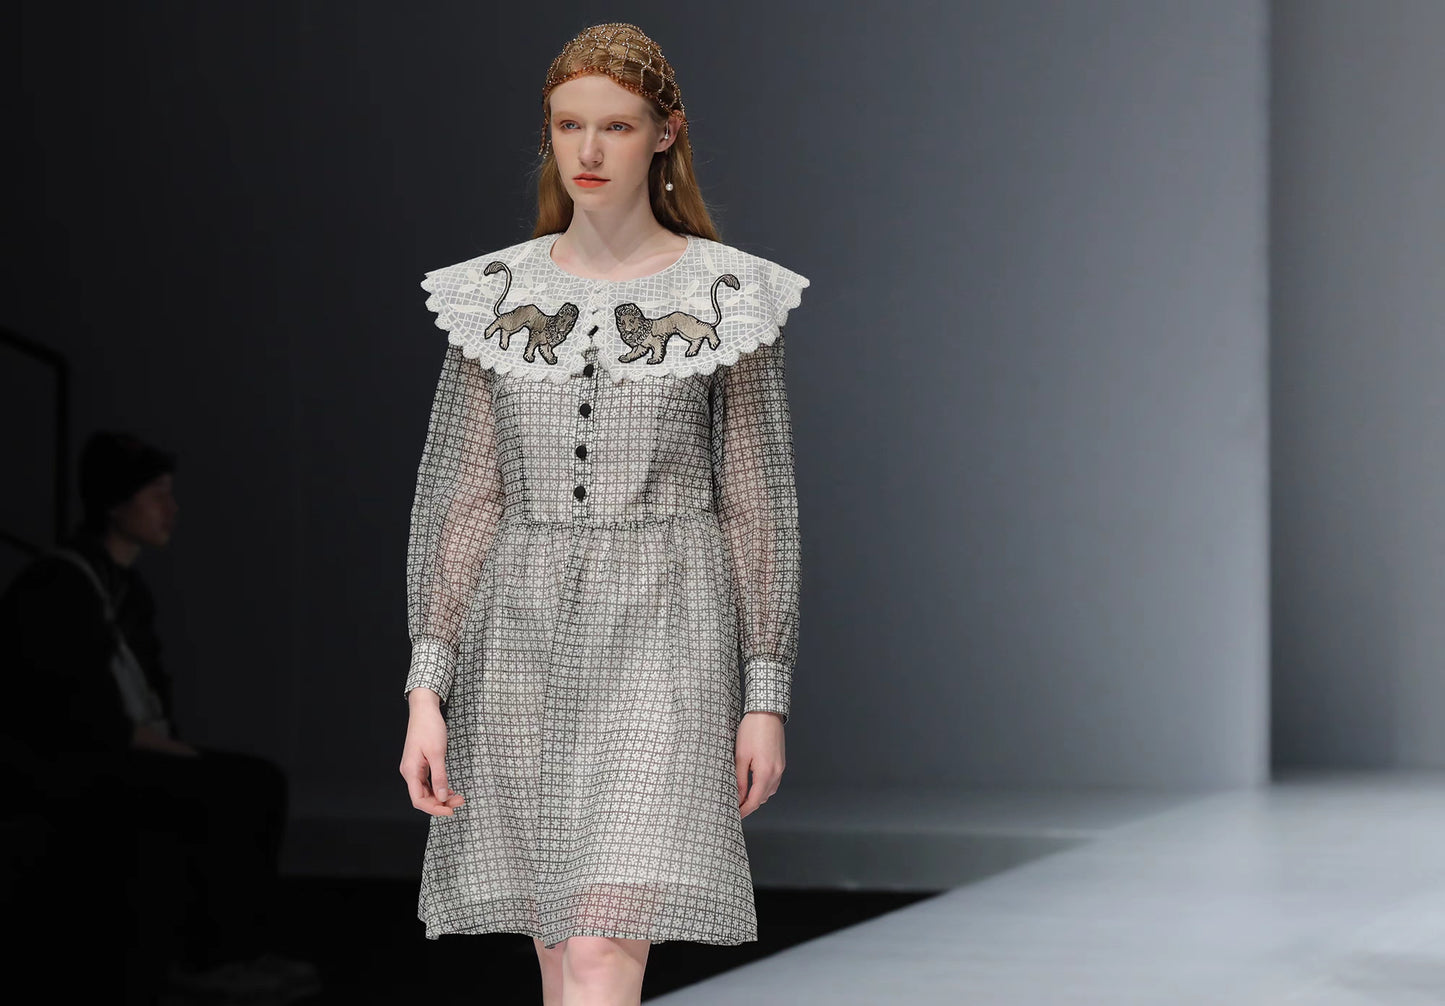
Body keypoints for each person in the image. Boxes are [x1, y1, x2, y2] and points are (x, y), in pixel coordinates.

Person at [397, 21, 809, 1006]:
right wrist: (425, 687)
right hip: (516, 634)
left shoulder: (731, 296)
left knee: (597, 948)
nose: (587, 150)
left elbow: (757, 504)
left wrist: (764, 692)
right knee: (557, 944)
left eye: (615, 126)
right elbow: (460, 496)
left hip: (667, 631)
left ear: (666, 133)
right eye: (566, 125)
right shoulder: (490, 296)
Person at [0, 431, 319, 1003]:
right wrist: (174, 752)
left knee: (253, 783)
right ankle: (214, 958)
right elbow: (85, 718)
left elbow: (144, 697)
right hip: (74, 764)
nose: (171, 509)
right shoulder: (61, 585)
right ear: (114, 503)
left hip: (116, 749)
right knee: (238, 787)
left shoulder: (124, 588)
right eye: (156, 495)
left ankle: (230, 950)